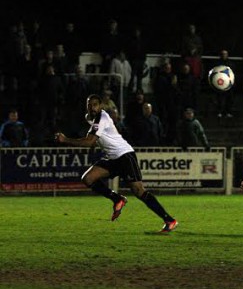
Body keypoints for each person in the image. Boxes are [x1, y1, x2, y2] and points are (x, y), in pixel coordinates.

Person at [54, 94, 178, 232]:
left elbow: (89, 141)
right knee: (88, 178)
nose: (92, 107)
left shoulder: (102, 117)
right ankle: (117, 199)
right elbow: (100, 137)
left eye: (95, 104)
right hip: (112, 158)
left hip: (124, 155)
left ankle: (169, 220)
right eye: (89, 104)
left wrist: (65, 140)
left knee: (138, 191)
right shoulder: (90, 118)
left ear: (100, 106)